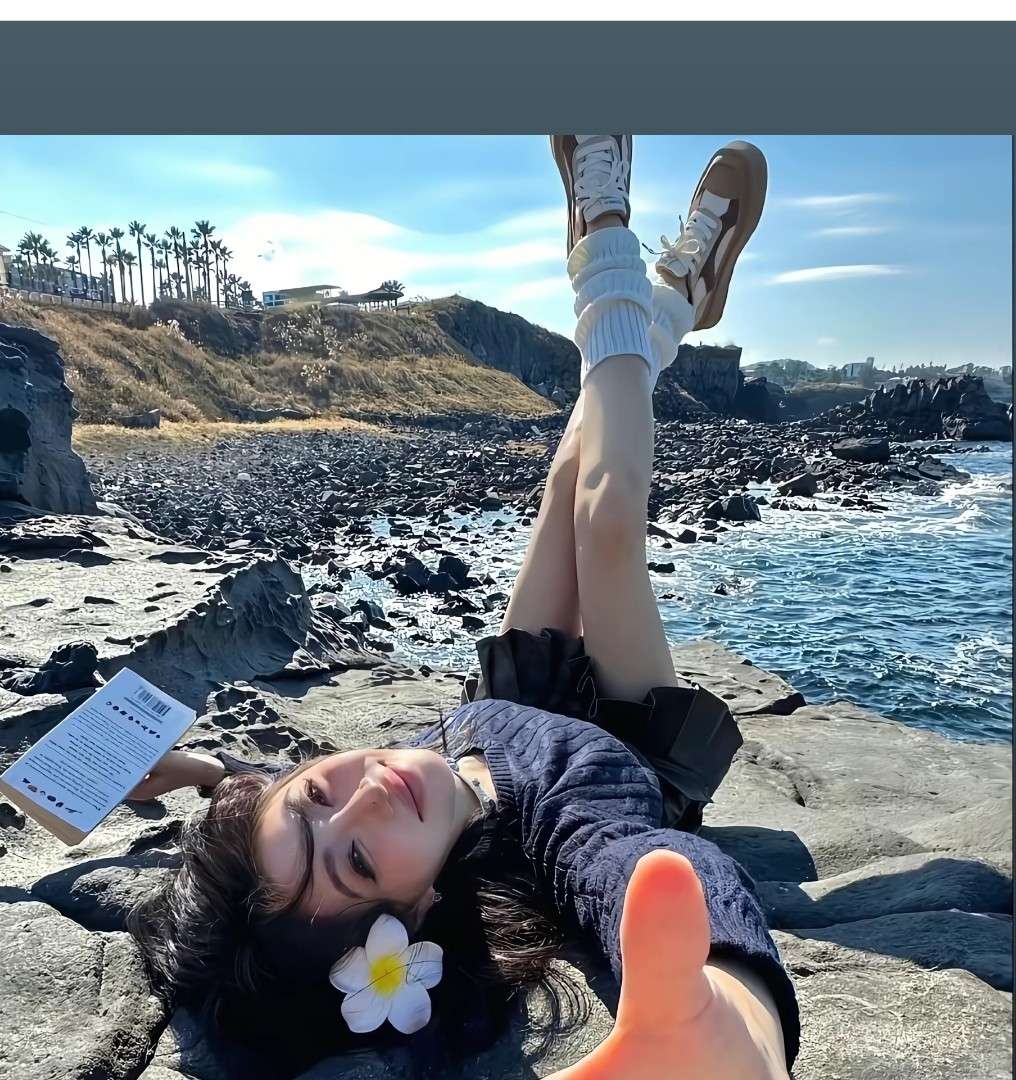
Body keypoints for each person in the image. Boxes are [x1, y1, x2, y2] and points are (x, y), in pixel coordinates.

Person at [128, 135, 798, 1080]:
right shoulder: (563, 823)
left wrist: (202, 771)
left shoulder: (362, 810)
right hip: (625, 740)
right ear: (414, 918)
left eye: (316, 793)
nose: (366, 791)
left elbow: (285, 807)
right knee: (608, 521)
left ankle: (673, 299)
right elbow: (641, 869)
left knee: (567, 479)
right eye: (360, 863)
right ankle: (610, 245)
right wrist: (732, 1020)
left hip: (511, 705)